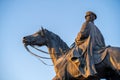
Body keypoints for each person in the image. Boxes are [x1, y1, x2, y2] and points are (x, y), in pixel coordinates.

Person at [74, 11, 109, 78]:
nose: (87, 18)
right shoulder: (97, 28)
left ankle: (84, 68)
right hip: (99, 47)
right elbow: (102, 39)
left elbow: (82, 34)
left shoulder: (86, 24)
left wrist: (76, 39)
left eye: (88, 16)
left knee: (75, 52)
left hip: (90, 45)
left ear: (89, 17)